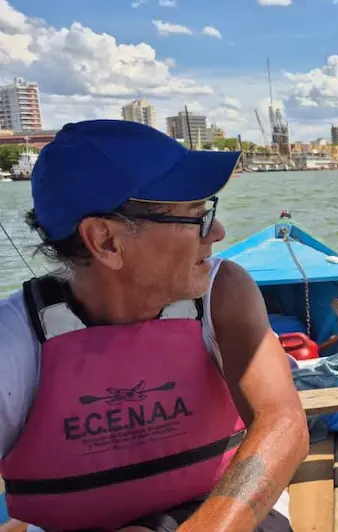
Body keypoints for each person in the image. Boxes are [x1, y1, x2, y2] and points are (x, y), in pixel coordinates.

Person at [0, 120, 308, 531]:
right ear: (106, 241)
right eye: (197, 217)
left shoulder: (223, 292)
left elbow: (283, 422)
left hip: (227, 512)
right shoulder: (14, 342)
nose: (217, 232)